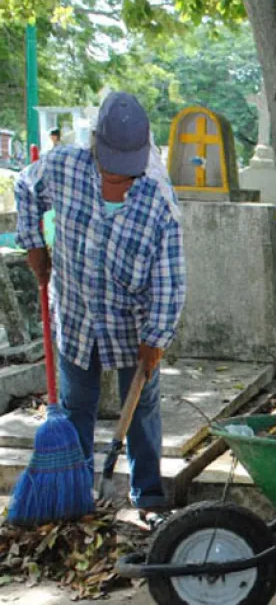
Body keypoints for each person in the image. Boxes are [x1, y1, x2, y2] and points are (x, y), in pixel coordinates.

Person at [14, 92, 186, 519]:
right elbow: (24, 187)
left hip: (132, 322)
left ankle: (147, 494)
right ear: (95, 147)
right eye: (110, 169)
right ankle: (75, 491)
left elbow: (169, 281)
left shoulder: (159, 200)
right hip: (75, 312)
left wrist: (155, 339)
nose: (117, 181)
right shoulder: (62, 166)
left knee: (142, 406)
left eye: (126, 173)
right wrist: (33, 244)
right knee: (76, 406)